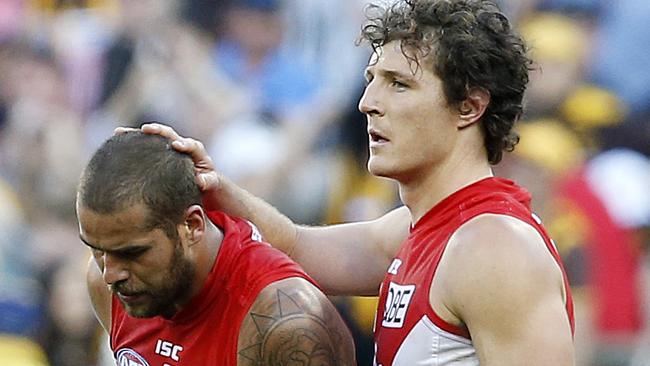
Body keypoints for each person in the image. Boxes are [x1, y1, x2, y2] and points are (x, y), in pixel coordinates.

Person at [136, 0, 576, 364]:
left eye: (398, 85)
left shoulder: (494, 247)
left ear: (469, 107)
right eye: (370, 81)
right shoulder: (418, 230)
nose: (367, 103)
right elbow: (292, 248)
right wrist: (216, 188)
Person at [76, 132, 356, 365]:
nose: (110, 275)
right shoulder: (109, 285)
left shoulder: (287, 325)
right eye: (97, 250)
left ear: (192, 225)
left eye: (131, 253)